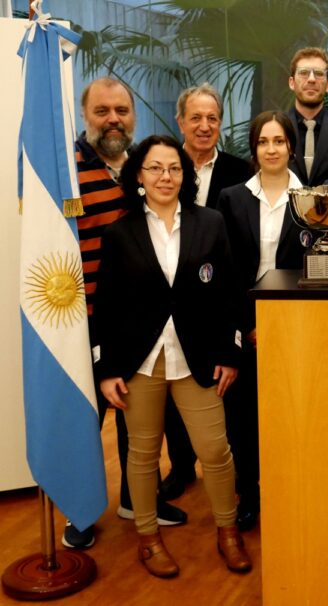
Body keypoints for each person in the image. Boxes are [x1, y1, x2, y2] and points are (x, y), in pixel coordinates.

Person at [95, 135, 251, 577]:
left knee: (215, 451)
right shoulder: (119, 233)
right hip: (138, 360)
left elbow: (228, 295)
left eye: (174, 168)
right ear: (139, 176)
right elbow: (105, 307)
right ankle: (148, 538)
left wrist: (231, 353)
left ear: (186, 175)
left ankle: (227, 531)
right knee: (142, 455)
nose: (166, 176)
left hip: (197, 357)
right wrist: (106, 371)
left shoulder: (211, 223)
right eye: (155, 168)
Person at [64, 78, 186, 550]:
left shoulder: (142, 167)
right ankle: (78, 511)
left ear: (133, 115)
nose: (112, 119)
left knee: (135, 416)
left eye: (121, 110)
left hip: (139, 317)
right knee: (86, 418)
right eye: (102, 111)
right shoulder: (67, 168)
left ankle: (139, 500)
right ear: (85, 114)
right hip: (83, 317)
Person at [160, 83, 253, 502]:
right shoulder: (163, 167)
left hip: (218, 301)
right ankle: (181, 467)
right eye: (195, 118)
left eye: (212, 118)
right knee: (171, 392)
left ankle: (231, 473)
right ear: (181, 121)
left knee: (223, 389)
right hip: (170, 303)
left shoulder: (240, 173)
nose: (204, 126)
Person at [216, 111, 309, 531]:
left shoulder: (312, 199)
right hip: (244, 323)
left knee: (292, 414)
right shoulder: (232, 198)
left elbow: (314, 268)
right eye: (263, 142)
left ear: (291, 146)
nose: (271, 149)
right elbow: (225, 270)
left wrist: (282, 323)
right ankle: (249, 495)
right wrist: (248, 324)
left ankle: (292, 492)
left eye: (279, 141)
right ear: (254, 149)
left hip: (294, 323)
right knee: (243, 419)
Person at [287, 47, 328, 186]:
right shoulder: (278, 130)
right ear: (291, 82)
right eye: (303, 73)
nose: (311, 79)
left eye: (319, 74)